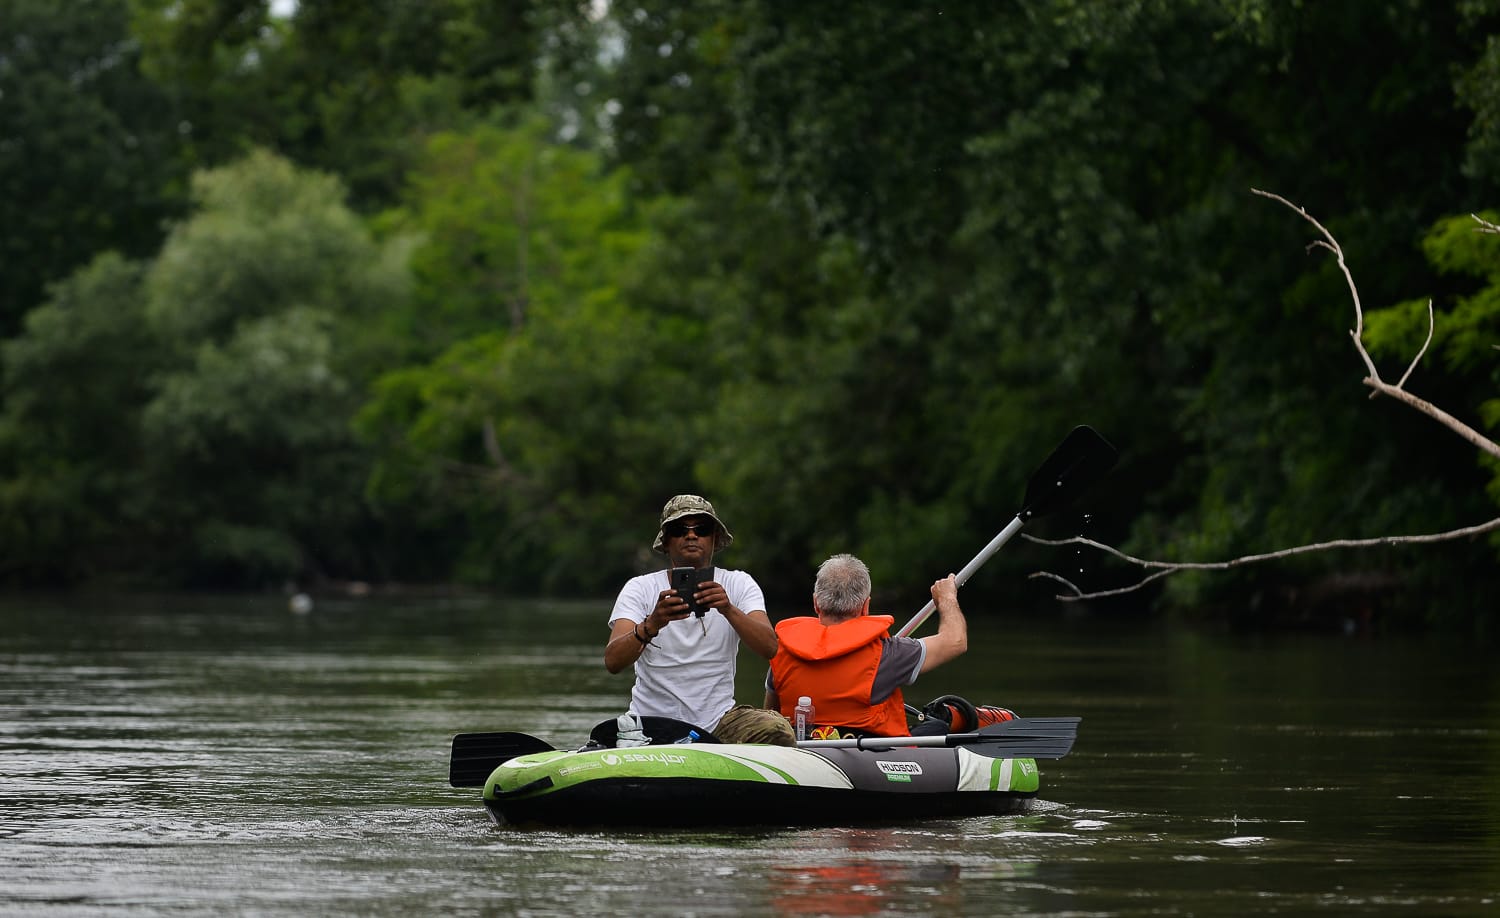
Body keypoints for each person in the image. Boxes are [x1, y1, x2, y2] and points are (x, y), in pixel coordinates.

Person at [606, 494, 795, 745]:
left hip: (719, 723)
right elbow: (612, 661)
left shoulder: (738, 583)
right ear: (666, 542)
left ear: (714, 539)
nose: (691, 535)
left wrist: (728, 608)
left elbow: (770, 647)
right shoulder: (640, 588)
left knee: (777, 730)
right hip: (652, 723)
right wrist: (652, 624)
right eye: (679, 529)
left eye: (701, 529)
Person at [765, 554, 968, 737]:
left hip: (802, 748)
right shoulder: (887, 653)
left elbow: (770, 716)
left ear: (816, 603)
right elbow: (956, 641)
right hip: (867, 754)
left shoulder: (783, 650)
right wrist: (947, 598)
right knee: (939, 728)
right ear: (865, 606)